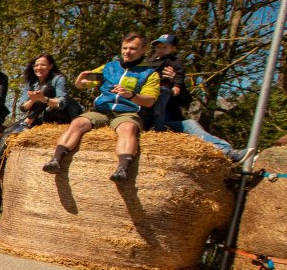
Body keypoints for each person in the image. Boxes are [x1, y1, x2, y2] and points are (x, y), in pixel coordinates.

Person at [43, 33, 159, 182]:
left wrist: (131, 96)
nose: (127, 52)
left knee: (128, 129)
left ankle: (122, 169)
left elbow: (149, 101)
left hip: (127, 112)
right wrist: (80, 81)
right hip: (102, 110)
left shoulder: (149, 73)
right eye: (125, 48)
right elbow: (83, 84)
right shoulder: (109, 68)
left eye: (133, 48)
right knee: (78, 123)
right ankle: (55, 160)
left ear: (143, 50)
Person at [0, 53, 80, 181]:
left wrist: (43, 99)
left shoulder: (58, 78)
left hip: (62, 116)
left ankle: (27, 123)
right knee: (8, 132)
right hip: (42, 115)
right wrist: (33, 100)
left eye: (43, 64)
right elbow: (22, 107)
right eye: (36, 65)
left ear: (50, 66)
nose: (39, 67)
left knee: (46, 89)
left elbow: (62, 103)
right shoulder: (32, 82)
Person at [145, 34, 246, 162]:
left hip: (168, 123)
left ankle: (228, 153)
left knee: (190, 124)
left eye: (164, 47)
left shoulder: (174, 69)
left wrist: (175, 83)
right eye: (158, 47)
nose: (160, 50)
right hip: (147, 121)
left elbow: (186, 101)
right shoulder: (146, 66)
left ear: (173, 49)